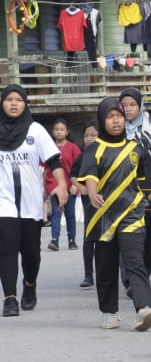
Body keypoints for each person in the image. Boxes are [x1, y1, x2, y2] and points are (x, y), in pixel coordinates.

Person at [78, 98, 151, 331]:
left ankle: (145, 308)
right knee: (106, 266)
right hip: (103, 214)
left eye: (119, 116)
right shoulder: (94, 148)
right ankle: (109, 312)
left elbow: (140, 179)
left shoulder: (135, 148)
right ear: (102, 120)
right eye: (110, 116)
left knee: (135, 260)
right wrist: (92, 192)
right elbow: (90, 174)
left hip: (131, 212)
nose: (116, 121)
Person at [0, 84, 68, 317]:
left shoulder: (36, 130)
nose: (14, 103)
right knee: (7, 247)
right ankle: (9, 298)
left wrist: (61, 185)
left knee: (31, 252)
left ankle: (29, 284)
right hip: (4, 201)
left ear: (25, 104)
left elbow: (53, 161)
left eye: (19, 99)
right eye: (9, 99)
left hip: (30, 202)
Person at [118, 87, 151, 280]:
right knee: (126, 238)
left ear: (140, 106)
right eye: (124, 105)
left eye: (132, 105)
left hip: (150, 194)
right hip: (123, 194)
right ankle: (130, 279)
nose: (128, 109)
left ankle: (143, 277)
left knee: (150, 240)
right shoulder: (115, 132)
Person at [44, 118, 81, 251]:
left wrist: (76, 184)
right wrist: (45, 188)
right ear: (52, 131)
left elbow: (80, 166)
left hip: (70, 186)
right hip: (54, 186)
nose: (59, 132)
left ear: (67, 132)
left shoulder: (73, 147)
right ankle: (55, 240)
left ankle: (72, 240)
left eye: (62, 129)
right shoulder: (48, 147)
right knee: (56, 213)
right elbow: (44, 169)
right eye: (56, 129)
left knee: (70, 214)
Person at [75, 124, 99, 288]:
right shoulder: (83, 156)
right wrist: (81, 187)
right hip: (89, 202)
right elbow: (72, 175)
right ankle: (88, 274)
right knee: (89, 237)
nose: (89, 138)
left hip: (108, 201)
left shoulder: (107, 153)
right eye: (86, 135)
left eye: (93, 135)